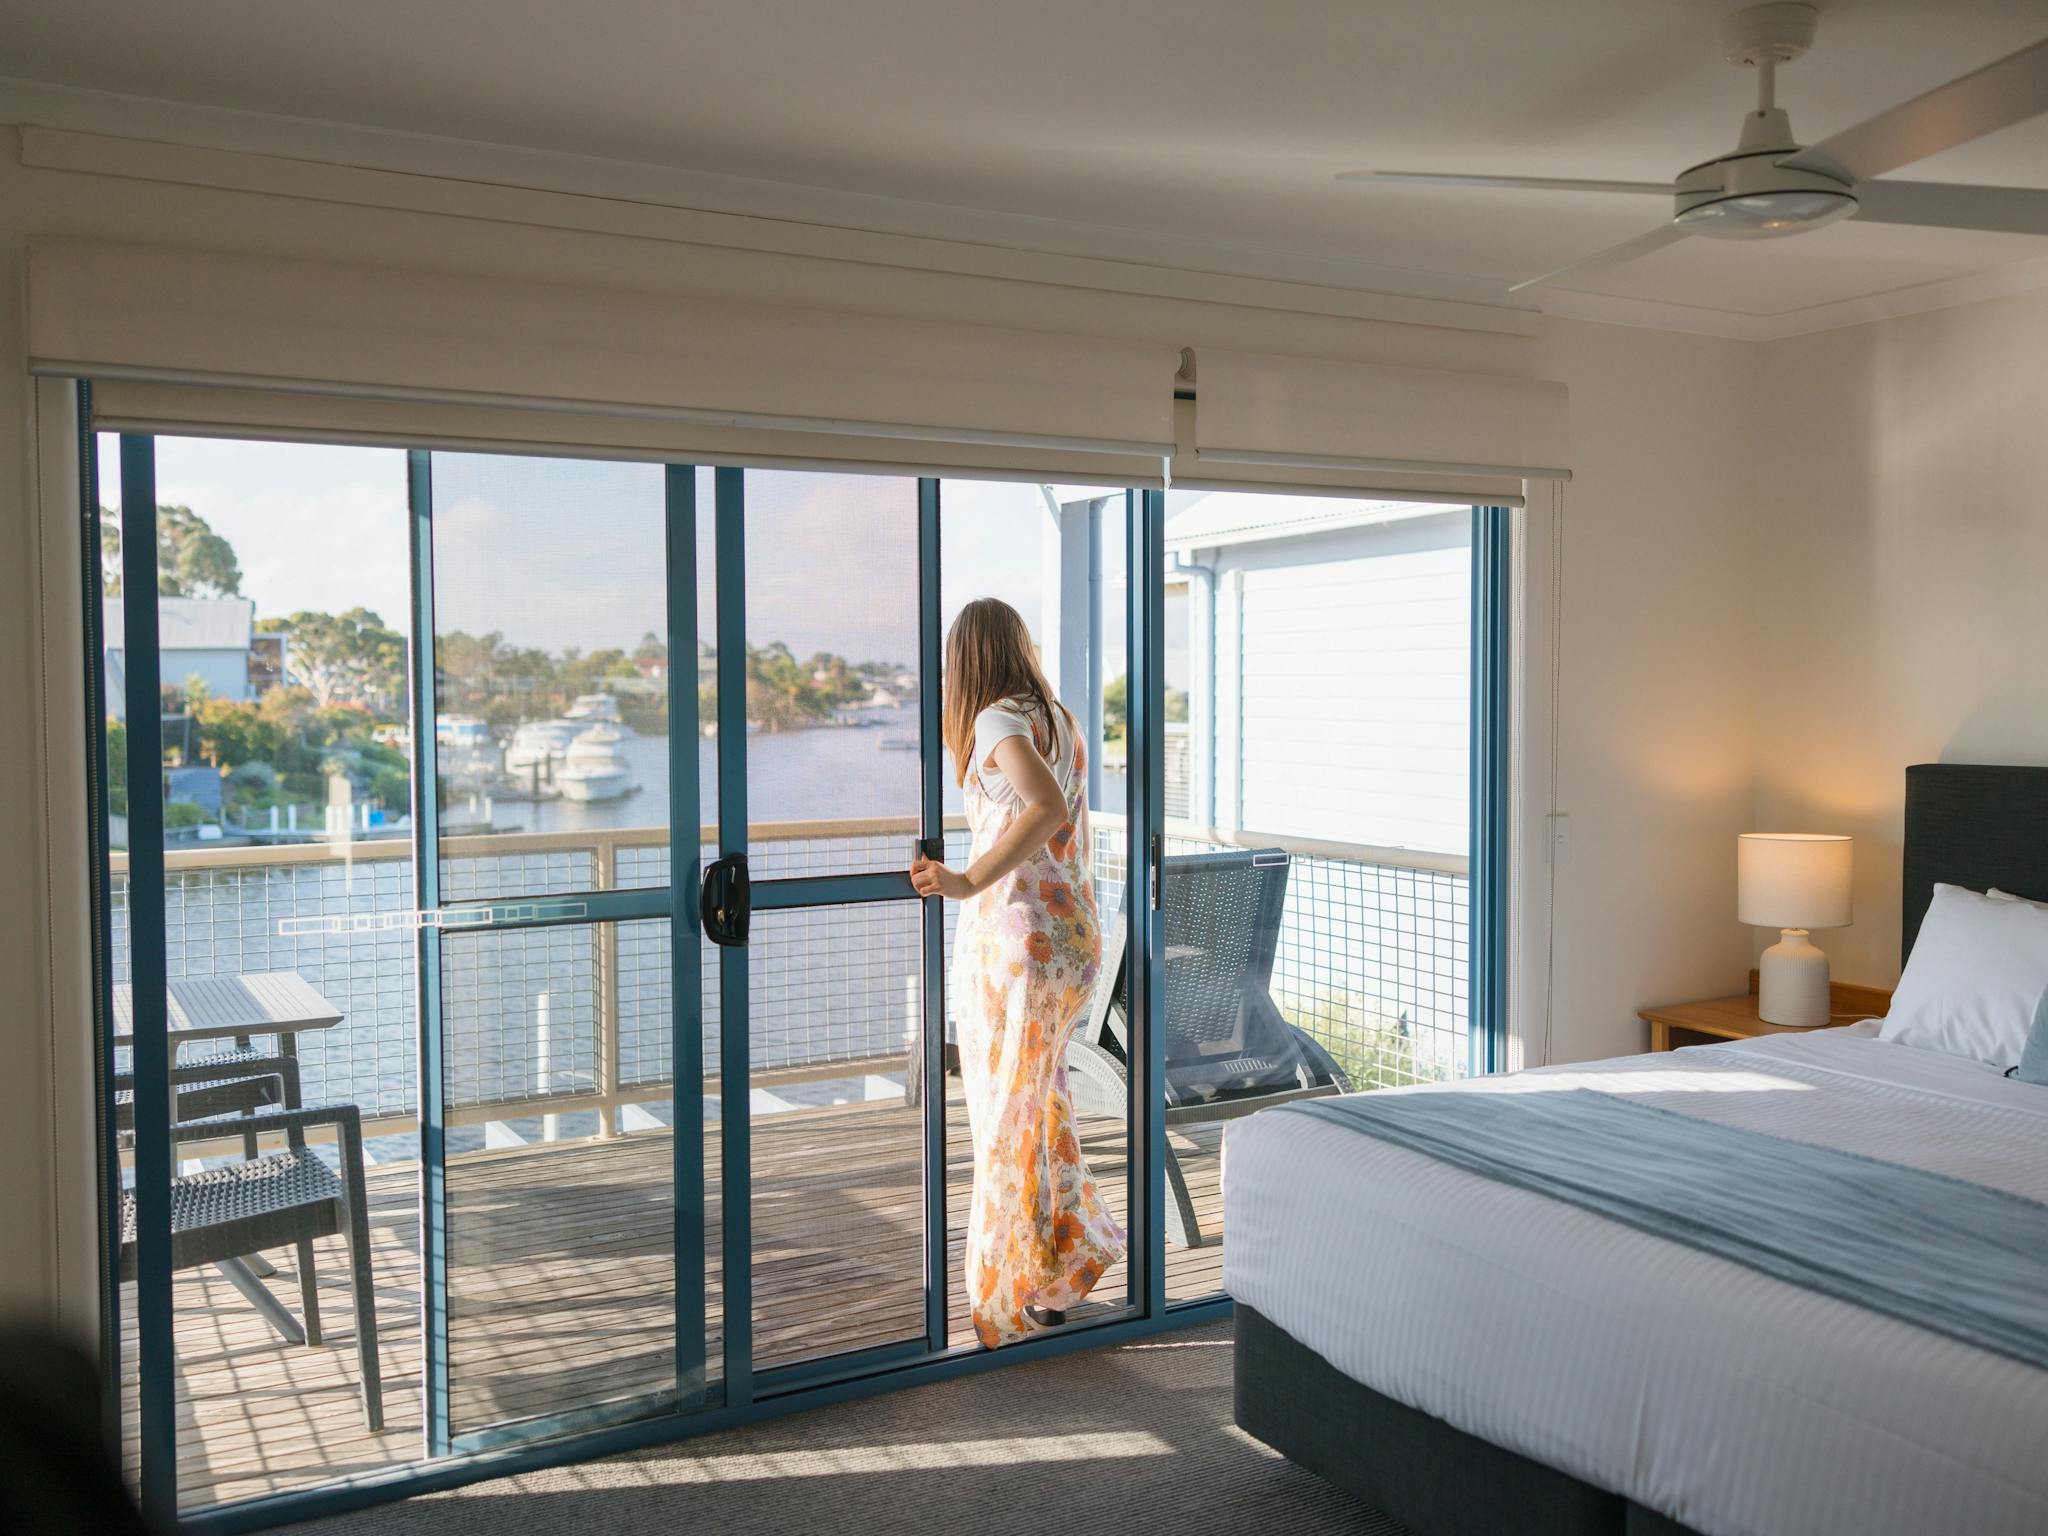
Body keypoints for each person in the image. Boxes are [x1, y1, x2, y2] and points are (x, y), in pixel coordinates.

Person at [911, 597, 1126, 1347]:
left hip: (1019, 940)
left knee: (1005, 1112)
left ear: (965, 660)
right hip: (1071, 935)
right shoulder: (1057, 718)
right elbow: (1067, 820)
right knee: (1037, 1106)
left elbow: (1043, 808)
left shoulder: (996, 720)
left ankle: (1003, 1285)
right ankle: (1063, 1268)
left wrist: (964, 880)